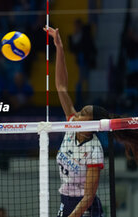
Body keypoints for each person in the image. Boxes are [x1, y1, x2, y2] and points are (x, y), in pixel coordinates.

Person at [47, 26, 138, 217]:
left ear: (91, 125)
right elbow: (61, 86)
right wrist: (60, 48)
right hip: (66, 201)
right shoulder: (72, 125)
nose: (76, 114)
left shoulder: (95, 150)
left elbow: (88, 197)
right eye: (80, 111)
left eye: (82, 114)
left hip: (86, 208)